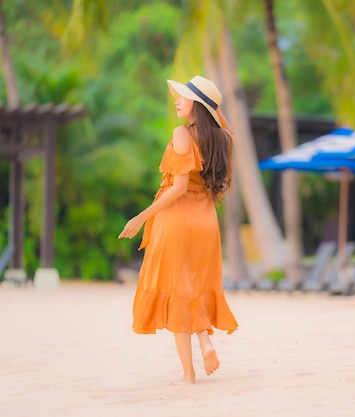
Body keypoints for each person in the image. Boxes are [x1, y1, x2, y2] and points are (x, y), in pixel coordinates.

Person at [118, 75, 238, 386]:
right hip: (206, 221)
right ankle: (205, 342)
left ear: (198, 106)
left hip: (179, 221)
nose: (177, 100)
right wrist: (213, 107)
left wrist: (141, 217)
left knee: (176, 290)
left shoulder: (182, 133)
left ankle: (188, 375)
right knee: (193, 286)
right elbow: (227, 130)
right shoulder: (223, 139)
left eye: (184, 97)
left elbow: (179, 186)